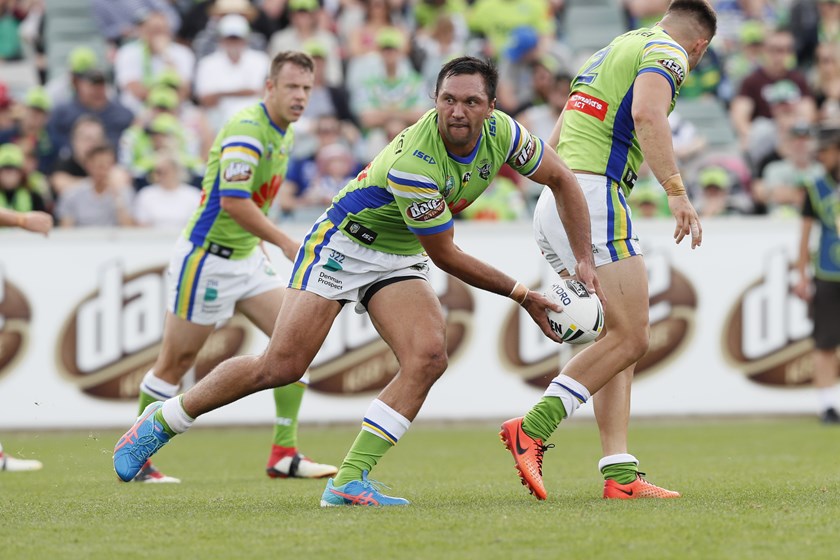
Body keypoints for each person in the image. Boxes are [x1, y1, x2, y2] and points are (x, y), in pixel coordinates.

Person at [112, 56, 600, 506]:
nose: (457, 111)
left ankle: (349, 480)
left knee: (428, 357)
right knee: (280, 366)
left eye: (471, 101)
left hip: (399, 253)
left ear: (491, 107)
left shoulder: (506, 134)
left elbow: (562, 178)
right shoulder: (416, 163)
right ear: (434, 99)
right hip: (343, 244)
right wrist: (522, 294)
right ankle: (162, 421)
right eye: (448, 99)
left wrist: (583, 259)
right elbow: (446, 254)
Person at [500, 0, 715, 501]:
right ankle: (532, 428)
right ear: (700, 45)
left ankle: (619, 473)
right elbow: (647, 113)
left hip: (558, 195)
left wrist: (557, 197)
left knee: (612, 336)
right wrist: (676, 190)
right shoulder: (669, 52)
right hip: (594, 195)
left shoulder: (613, 49)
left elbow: (557, 134)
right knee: (632, 335)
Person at [115, 51, 337, 483]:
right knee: (175, 362)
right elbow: (234, 202)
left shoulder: (285, 132)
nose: (300, 96)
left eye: (307, 88)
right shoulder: (247, 129)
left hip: (246, 256)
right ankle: (138, 456)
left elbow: (256, 202)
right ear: (269, 87)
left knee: (297, 341)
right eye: (291, 86)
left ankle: (284, 453)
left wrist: (261, 244)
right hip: (208, 258)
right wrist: (284, 241)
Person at [794, 126, 840, 425]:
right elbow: (805, 235)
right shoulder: (815, 187)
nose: (821, 156)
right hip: (827, 272)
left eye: (826, 151)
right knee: (825, 341)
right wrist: (801, 274)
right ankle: (827, 405)